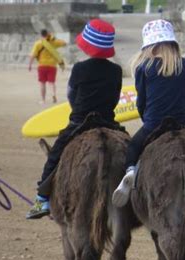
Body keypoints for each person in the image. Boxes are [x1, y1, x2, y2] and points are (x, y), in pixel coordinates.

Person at [112, 19, 185, 208]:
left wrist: (147, 118)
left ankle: (131, 171)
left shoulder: (144, 68)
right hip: (181, 121)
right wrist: (179, 107)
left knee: (133, 146)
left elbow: (141, 101)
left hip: (153, 122)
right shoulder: (184, 64)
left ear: (149, 45)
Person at [26, 19, 123, 219]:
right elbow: (115, 97)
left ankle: (42, 199)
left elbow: (71, 95)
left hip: (80, 122)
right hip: (108, 121)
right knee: (130, 153)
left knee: (56, 155)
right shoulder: (116, 71)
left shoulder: (79, 68)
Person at [29, 29, 66, 104]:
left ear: (41, 35)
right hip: (52, 65)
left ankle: (43, 100)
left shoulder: (38, 43)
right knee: (52, 82)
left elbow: (33, 55)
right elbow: (64, 43)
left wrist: (30, 65)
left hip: (42, 65)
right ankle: (53, 95)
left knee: (42, 83)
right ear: (48, 34)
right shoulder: (54, 42)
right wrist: (53, 38)